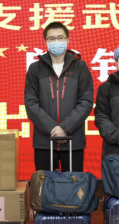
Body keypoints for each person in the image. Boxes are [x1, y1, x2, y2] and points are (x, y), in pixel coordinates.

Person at [25, 22, 94, 172]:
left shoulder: (80, 67)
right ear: (46, 42)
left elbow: (86, 101)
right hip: (44, 141)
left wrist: (65, 128)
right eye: (52, 38)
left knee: (74, 184)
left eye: (60, 38)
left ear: (68, 40)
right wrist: (52, 129)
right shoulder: (35, 69)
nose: (56, 41)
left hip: (73, 140)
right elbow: (31, 103)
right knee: (45, 184)